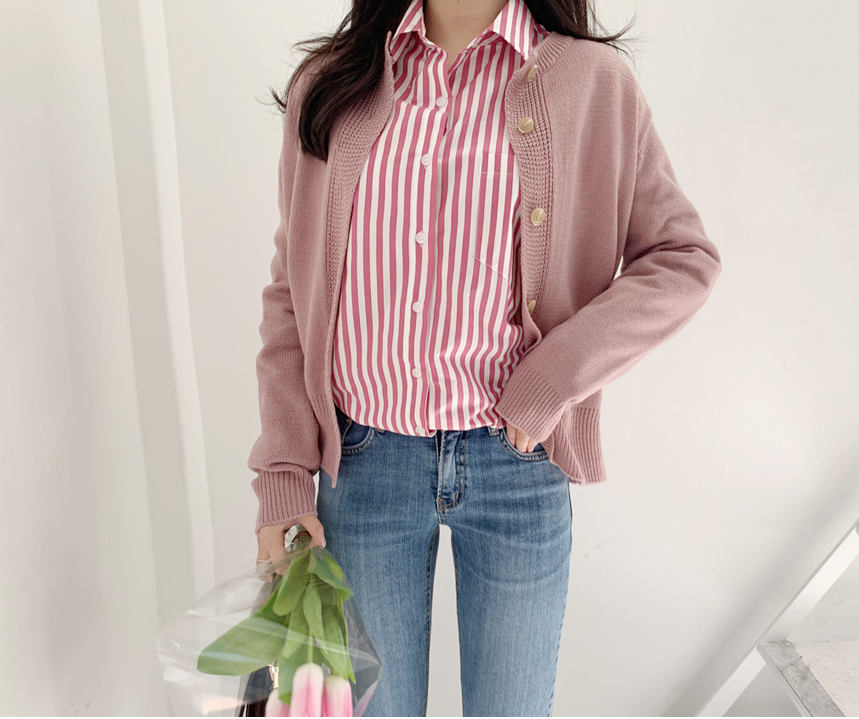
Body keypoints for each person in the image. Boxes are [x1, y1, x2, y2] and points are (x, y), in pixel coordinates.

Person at [249, 0, 722, 714]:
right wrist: (283, 474)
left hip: (516, 467)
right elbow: (293, 294)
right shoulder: (331, 83)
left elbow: (682, 258)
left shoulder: (594, 82)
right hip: (364, 465)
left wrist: (553, 378)